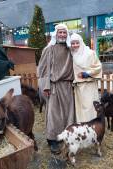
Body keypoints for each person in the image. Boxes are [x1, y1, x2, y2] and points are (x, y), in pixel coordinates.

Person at [37, 24, 75, 154]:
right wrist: (45, 86)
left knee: (68, 114)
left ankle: (65, 136)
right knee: (54, 114)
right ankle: (52, 140)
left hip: (68, 87)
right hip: (54, 86)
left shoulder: (71, 49)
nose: (63, 35)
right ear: (56, 34)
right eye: (60, 33)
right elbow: (42, 69)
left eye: (65, 33)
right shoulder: (49, 49)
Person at [70, 33, 102, 123]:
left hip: (89, 86)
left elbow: (98, 67)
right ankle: (82, 127)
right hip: (78, 88)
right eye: (73, 43)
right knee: (80, 109)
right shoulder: (72, 55)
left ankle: (92, 126)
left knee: (90, 108)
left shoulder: (90, 53)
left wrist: (86, 74)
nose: (75, 45)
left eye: (77, 42)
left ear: (81, 42)